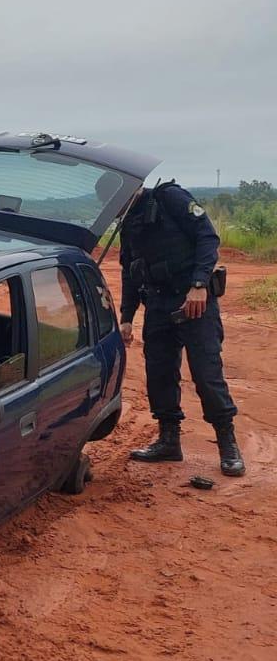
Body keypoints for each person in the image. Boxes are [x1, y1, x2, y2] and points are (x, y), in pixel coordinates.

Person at [117, 180, 244, 476]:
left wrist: (199, 284)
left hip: (193, 300)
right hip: (158, 303)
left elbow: (208, 237)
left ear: (133, 187)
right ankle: (169, 441)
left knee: (206, 374)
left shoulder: (169, 198)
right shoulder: (129, 223)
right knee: (159, 373)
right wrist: (126, 317)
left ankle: (228, 445)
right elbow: (129, 272)